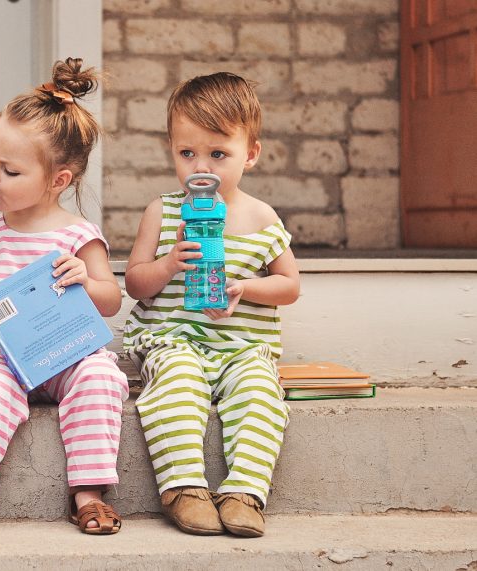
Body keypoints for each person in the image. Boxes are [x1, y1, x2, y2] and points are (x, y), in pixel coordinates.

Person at [0, 57, 129, 538]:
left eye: (10, 170)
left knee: (100, 375)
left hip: (65, 353)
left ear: (59, 180)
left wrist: (85, 278)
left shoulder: (78, 234)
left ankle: (90, 495)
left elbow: (111, 299)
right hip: (4, 357)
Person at [123, 72, 300, 538]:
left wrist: (245, 288)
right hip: (174, 341)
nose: (201, 166)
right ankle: (183, 487)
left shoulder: (262, 217)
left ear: (251, 154)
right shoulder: (163, 212)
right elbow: (136, 284)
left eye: (218, 154)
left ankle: (244, 492)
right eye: (187, 153)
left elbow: (289, 286)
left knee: (262, 393)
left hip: (242, 349)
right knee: (176, 386)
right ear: (173, 151)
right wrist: (167, 264)